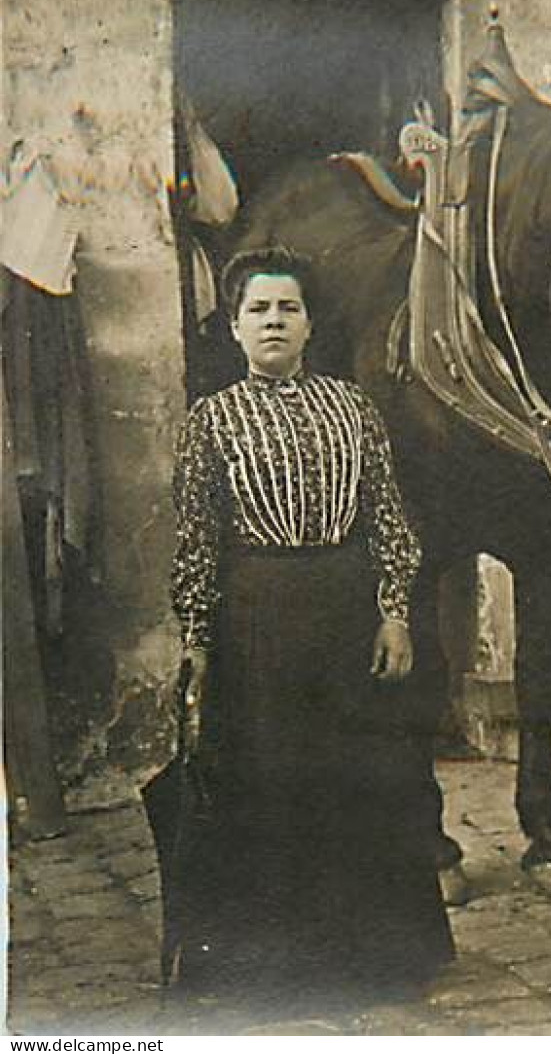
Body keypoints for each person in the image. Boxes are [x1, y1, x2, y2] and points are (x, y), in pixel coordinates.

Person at [168, 246, 454, 1011]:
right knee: (272, 784)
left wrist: (394, 610)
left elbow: (389, 517)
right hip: (256, 618)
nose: (273, 321)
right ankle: (278, 971)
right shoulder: (212, 421)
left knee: (361, 783)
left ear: (308, 322)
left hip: (344, 611)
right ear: (234, 327)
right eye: (257, 309)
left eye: (286, 308)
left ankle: (375, 960)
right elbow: (196, 538)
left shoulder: (352, 407)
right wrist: (196, 637)